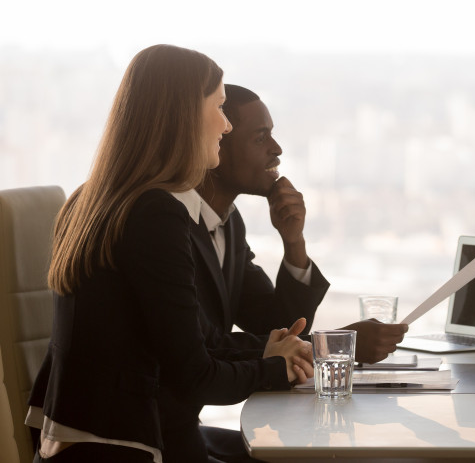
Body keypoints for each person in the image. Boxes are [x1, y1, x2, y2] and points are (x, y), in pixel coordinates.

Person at [27, 45, 312, 463]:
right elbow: (195, 375)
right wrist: (276, 367)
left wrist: (273, 353)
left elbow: (195, 339)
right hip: (125, 448)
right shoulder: (155, 213)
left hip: (86, 443)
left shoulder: (96, 198)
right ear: (184, 116)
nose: (226, 125)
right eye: (219, 107)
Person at [166, 83, 408, 461]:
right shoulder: (167, 225)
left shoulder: (228, 224)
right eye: (261, 137)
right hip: (153, 434)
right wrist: (332, 347)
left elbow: (274, 322)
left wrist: (293, 242)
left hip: (182, 428)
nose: (276, 150)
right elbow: (206, 346)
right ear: (219, 142)